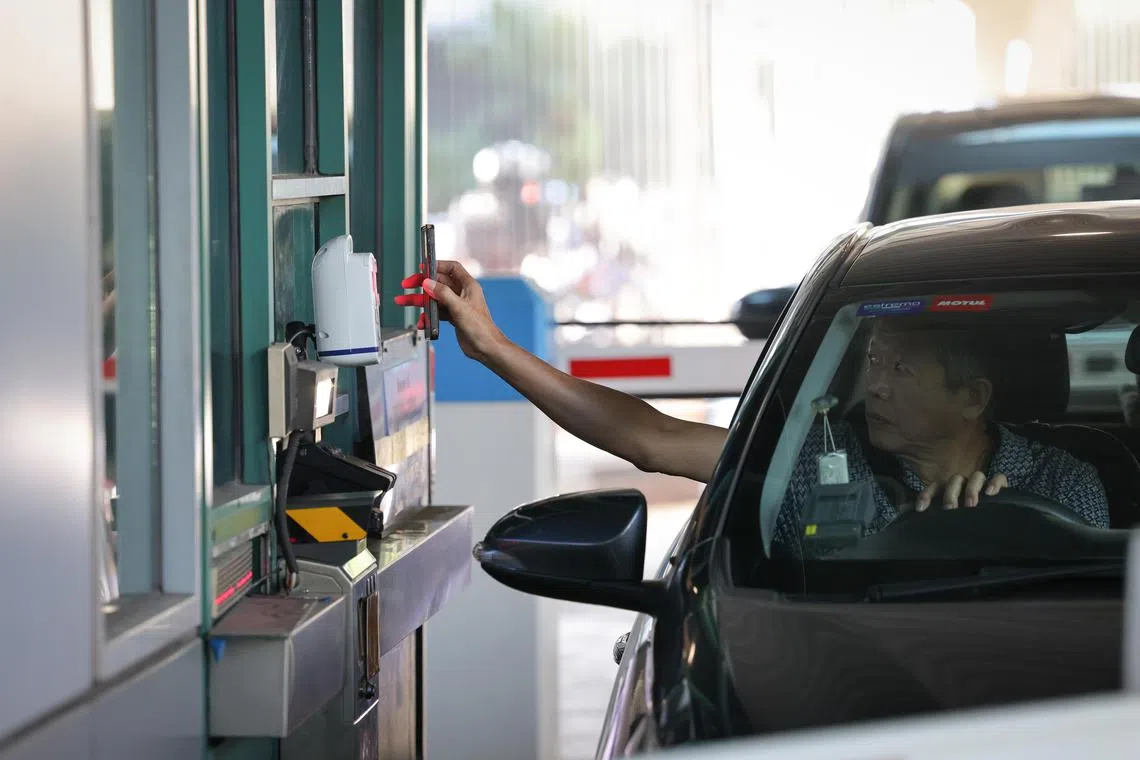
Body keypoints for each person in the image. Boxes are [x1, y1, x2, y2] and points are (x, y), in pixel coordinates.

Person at [395, 262, 1110, 537]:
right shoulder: (815, 465)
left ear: (972, 398)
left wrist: (986, 527)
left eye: (904, 371)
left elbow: (1083, 621)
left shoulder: (1064, 483)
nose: (877, 386)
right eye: (875, 363)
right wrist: (491, 346)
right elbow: (647, 438)